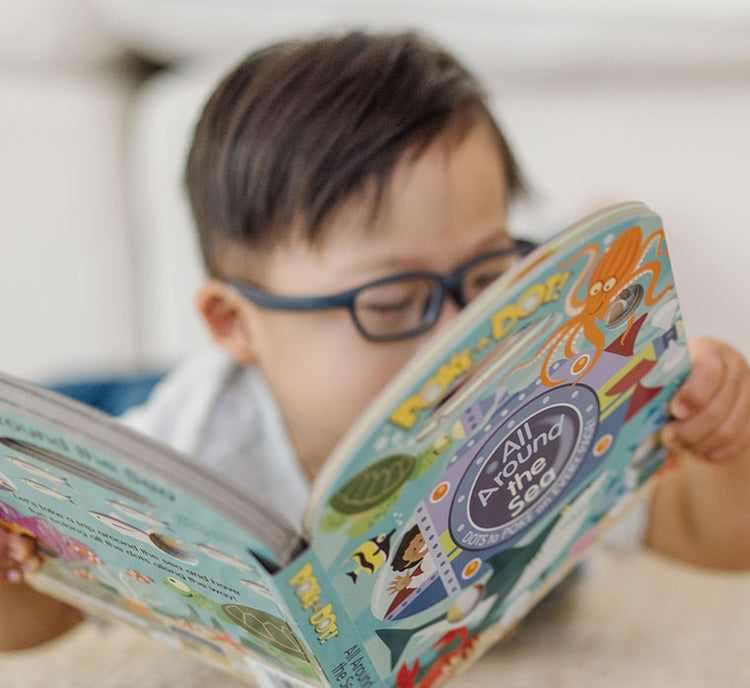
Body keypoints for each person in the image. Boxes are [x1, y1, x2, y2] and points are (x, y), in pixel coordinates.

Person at [2, 30, 750, 652]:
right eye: (393, 301)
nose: (460, 334)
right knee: (75, 406)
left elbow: (709, 531)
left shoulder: (536, 383)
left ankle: (569, 228)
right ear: (237, 323)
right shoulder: (195, 442)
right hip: (185, 394)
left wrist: (725, 440)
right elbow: (56, 602)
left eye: (489, 275)